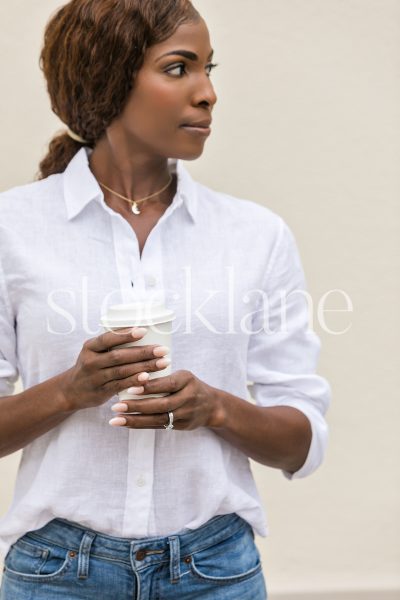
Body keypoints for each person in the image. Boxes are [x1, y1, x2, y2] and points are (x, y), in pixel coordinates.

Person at [0, 0, 331, 598]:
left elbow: (302, 440)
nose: (207, 93)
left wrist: (218, 409)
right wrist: (69, 392)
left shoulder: (257, 236)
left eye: (209, 69)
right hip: (56, 574)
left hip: (218, 572)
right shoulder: (11, 229)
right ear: (106, 75)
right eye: (179, 68)